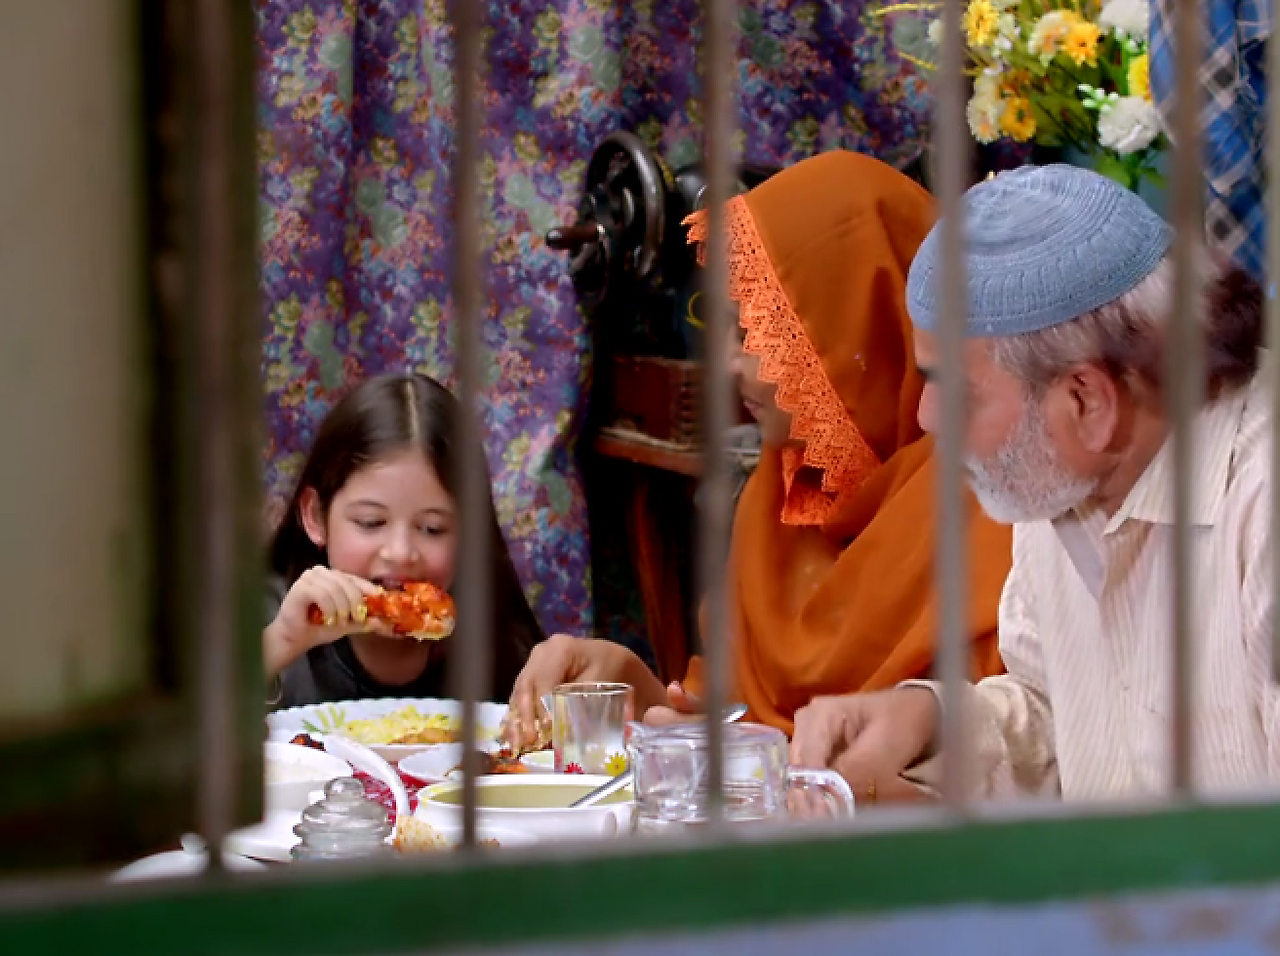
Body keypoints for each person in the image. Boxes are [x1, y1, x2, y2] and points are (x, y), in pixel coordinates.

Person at [504, 151, 1013, 785]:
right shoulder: (780, 499)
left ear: (861, 329)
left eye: (760, 335)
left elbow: (1006, 763)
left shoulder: (993, 516)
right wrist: (632, 684)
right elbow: (739, 729)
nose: (728, 365)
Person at [789, 164, 1271, 800]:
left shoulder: (1261, 503)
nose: (927, 416)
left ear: (1087, 401)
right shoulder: (1069, 473)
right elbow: (1059, 712)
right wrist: (931, 723)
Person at [265, 372, 545, 708]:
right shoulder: (268, 616)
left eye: (432, 529)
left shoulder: (498, 639)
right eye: (371, 522)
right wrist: (279, 644)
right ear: (315, 516)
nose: (400, 553)